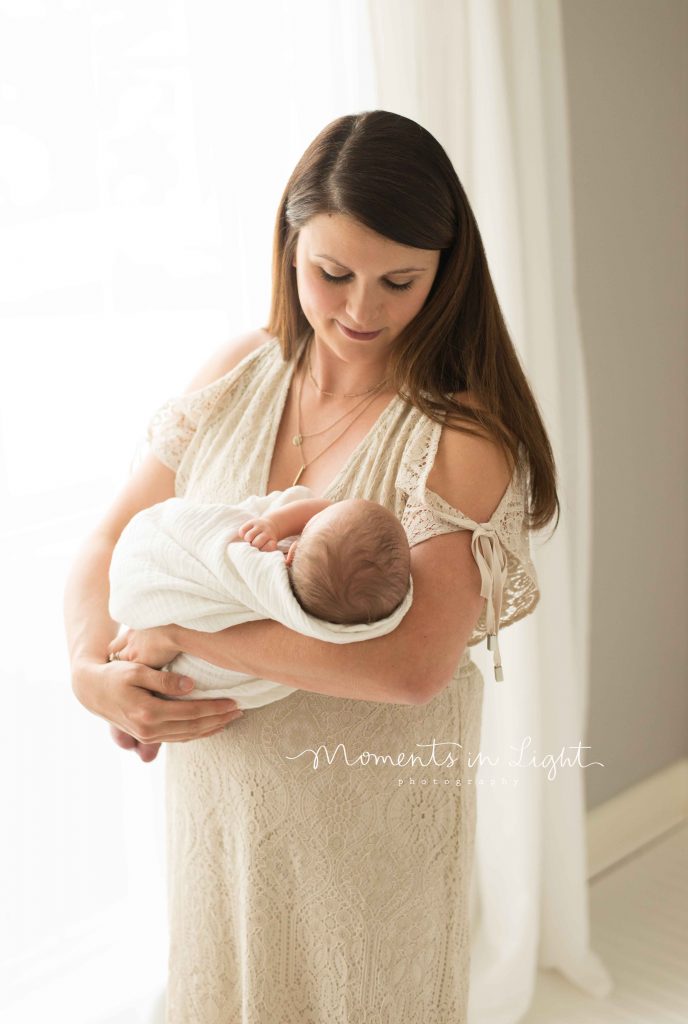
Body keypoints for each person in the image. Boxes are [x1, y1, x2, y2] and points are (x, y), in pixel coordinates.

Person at [64, 109, 558, 1022]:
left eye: (398, 281)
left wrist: (182, 631)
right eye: (331, 274)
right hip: (220, 815)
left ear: (446, 275)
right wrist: (95, 670)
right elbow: (108, 540)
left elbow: (411, 669)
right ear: (289, 251)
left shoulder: (457, 435)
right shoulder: (238, 373)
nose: (361, 311)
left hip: (365, 841)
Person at [106, 486, 414, 760]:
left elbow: (317, 508)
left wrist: (274, 523)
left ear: (291, 554)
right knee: (158, 693)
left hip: (178, 651)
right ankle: (136, 718)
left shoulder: (267, 574)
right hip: (193, 683)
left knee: (154, 681)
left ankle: (134, 715)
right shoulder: (334, 612)